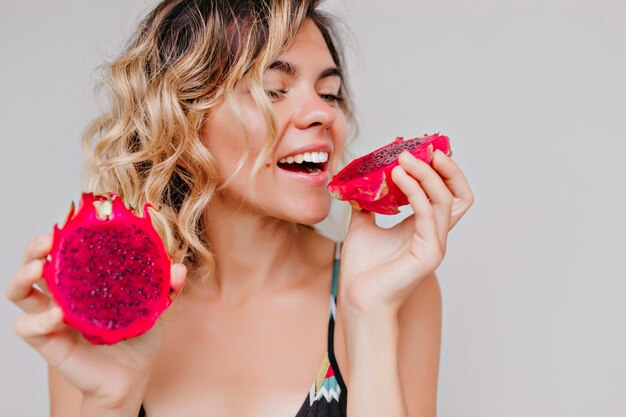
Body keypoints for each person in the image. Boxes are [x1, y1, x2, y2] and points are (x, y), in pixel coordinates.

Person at [6, 0, 474, 416]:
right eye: (273, 88)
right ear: (183, 120)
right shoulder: (104, 310)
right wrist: (108, 404)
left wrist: (367, 313)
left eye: (329, 93)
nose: (324, 114)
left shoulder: (394, 290)